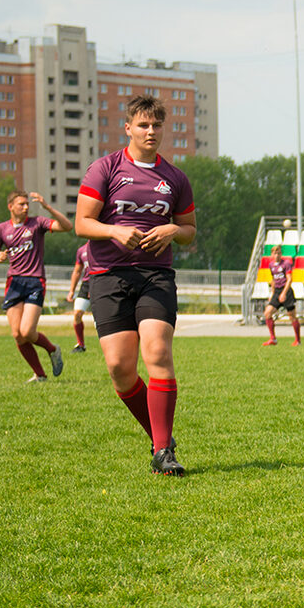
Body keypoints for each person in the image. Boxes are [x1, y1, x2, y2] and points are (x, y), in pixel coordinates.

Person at [74, 95, 197, 475]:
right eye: (143, 125)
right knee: (119, 368)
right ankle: (162, 438)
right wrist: (113, 230)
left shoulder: (175, 178)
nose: (150, 132)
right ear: (128, 127)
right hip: (108, 277)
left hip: (155, 276)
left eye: (157, 125)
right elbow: (81, 223)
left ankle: (163, 452)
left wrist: (174, 230)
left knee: (157, 352)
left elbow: (190, 232)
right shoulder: (105, 169)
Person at [0, 190, 71, 382]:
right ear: (10, 207)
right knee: (17, 335)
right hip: (14, 282)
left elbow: (67, 226)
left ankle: (53, 349)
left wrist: (47, 207)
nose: (25, 207)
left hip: (35, 281)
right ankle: (40, 375)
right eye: (21, 204)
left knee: (27, 332)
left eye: (27, 204)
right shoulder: (1, 229)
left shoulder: (37, 223)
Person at [261, 244, 301, 346]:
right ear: (272, 255)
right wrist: (273, 293)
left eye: (278, 253)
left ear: (281, 254)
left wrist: (284, 293)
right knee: (267, 313)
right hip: (277, 291)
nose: (277, 255)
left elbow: (289, 279)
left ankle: (298, 340)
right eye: (275, 253)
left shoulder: (286, 264)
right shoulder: (271, 265)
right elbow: (274, 280)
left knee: (292, 316)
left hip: (286, 291)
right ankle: (273, 339)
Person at [64, 241, 92, 353]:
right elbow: (77, 271)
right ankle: (81, 345)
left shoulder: (103, 245)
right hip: (86, 285)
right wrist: (71, 290)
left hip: (100, 282)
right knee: (77, 314)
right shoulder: (81, 250)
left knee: (100, 319)